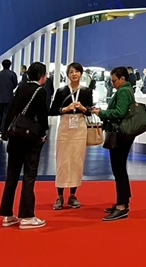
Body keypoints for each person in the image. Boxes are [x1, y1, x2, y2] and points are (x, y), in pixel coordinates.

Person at [0, 62, 50, 229]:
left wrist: (5, 132)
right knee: (29, 175)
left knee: (11, 176)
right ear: (41, 76)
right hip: (30, 139)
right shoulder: (40, 91)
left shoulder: (20, 88)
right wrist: (43, 134)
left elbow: (10, 111)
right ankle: (27, 216)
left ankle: (7, 214)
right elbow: (42, 116)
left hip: (15, 137)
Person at [92, 67, 136, 221]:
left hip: (119, 135)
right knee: (120, 168)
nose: (112, 83)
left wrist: (102, 113)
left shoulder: (123, 92)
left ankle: (122, 206)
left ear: (122, 79)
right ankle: (123, 201)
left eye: (114, 80)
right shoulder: (127, 90)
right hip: (123, 135)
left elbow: (119, 112)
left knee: (118, 169)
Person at [49, 62, 94, 210]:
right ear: (68, 75)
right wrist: (66, 109)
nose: (74, 74)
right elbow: (52, 110)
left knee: (77, 160)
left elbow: (90, 111)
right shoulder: (61, 91)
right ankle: (59, 196)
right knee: (62, 161)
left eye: (76, 71)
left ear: (81, 74)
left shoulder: (86, 91)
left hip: (79, 127)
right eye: (71, 72)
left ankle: (73, 195)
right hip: (65, 127)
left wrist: (83, 108)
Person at [0, 59, 19, 135]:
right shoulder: (12, 74)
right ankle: (4, 130)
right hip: (9, 97)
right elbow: (15, 84)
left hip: (0, 97)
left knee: (0, 113)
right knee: (6, 114)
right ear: (10, 65)